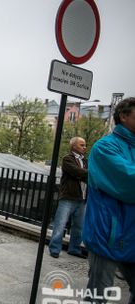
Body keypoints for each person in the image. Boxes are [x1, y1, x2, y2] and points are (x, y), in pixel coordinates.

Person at [82, 97, 135, 303]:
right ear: (123, 117)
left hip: (131, 236)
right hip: (108, 235)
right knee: (98, 294)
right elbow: (128, 181)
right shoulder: (104, 147)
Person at [49, 137, 88, 259]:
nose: (84, 147)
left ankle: (74, 249)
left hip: (82, 198)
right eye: (82, 145)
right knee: (60, 224)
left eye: (85, 145)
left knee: (79, 226)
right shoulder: (67, 159)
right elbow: (78, 172)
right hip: (68, 197)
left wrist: (83, 174)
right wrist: (85, 174)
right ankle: (55, 249)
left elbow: (83, 174)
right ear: (74, 146)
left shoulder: (86, 161)